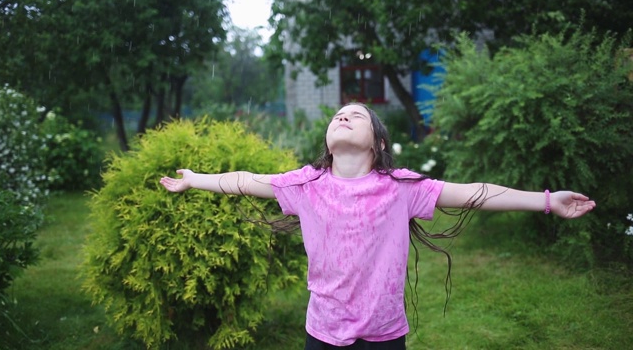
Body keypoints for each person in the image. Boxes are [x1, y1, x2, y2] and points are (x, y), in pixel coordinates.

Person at [160, 102, 596, 350]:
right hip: (323, 333)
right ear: (328, 143)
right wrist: (195, 180)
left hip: (385, 334)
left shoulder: (401, 187)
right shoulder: (305, 185)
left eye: (356, 115)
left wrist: (545, 201)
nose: (343, 117)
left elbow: (474, 192)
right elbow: (243, 181)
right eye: (337, 116)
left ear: (379, 143)